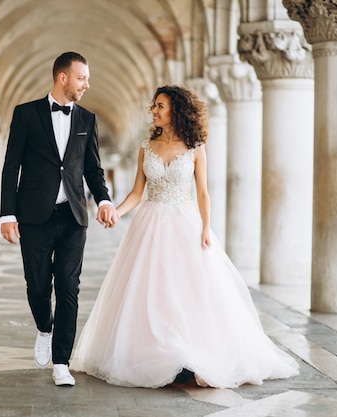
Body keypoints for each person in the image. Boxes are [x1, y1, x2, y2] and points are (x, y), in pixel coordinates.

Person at [70, 85, 299, 389]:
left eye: (160, 106)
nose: (154, 111)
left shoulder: (195, 148)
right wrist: (116, 211)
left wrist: (205, 228)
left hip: (185, 223)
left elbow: (202, 193)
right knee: (152, 289)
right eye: (154, 106)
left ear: (177, 110)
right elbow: (138, 192)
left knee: (190, 290)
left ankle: (192, 355)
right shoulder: (146, 147)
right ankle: (159, 353)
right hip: (150, 222)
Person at [0, 51, 119, 387]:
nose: (87, 84)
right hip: (33, 215)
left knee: (69, 287)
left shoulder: (87, 119)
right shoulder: (25, 114)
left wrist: (104, 200)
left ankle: (62, 362)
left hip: (73, 216)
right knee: (37, 285)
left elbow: (93, 169)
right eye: (82, 78)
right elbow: (12, 166)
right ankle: (43, 327)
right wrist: (7, 213)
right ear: (62, 77)